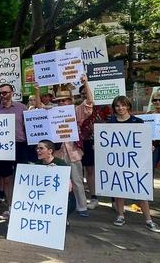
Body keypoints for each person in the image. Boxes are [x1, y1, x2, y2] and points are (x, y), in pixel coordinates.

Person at [35, 76, 92, 218]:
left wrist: (85, 83)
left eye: (65, 100)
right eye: (59, 100)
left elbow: (89, 102)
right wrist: (36, 91)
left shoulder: (76, 111)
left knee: (77, 180)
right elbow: (39, 108)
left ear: (70, 100)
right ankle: (58, 205)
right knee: (58, 181)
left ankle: (81, 206)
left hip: (73, 151)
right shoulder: (52, 112)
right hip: (59, 152)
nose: (62, 103)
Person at [107, 96, 160, 233]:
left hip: (136, 162)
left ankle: (148, 220)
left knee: (141, 189)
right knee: (119, 188)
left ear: (128, 106)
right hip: (118, 161)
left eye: (123, 105)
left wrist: (150, 146)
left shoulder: (138, 121)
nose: (121, 108)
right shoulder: (110, 122)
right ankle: (120, 215)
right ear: (114, 108)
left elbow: (146, 140)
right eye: (117, 106)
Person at [0, 83, 28, 220]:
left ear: (12, 92)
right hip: (3, 147)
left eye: (5, 93)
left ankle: (23, 207)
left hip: (20, 146)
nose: (3, 95)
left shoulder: (22, 108)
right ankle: (11, 207)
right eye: (0, 93)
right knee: (6, 179)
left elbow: (29, 128)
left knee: (22, 178)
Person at [149, 90, 160, 206]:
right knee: (149, 170)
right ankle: (147, 195)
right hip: (153, 147)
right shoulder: (149, 114)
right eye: (155, 100)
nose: (157, 102)